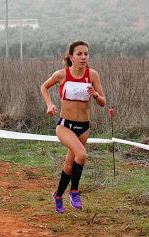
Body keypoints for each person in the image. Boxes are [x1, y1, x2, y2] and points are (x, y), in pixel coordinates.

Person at [41, 40, 106, 213]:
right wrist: (49, 104)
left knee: (70, 165)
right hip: (65, 126)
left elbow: (103, 102)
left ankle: (58, 195)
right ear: (71, 57)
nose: (83, 57)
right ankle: (74, 191)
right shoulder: (61, 74)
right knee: (82, 155)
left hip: (84, 127)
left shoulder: (92, 75)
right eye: (79, 54)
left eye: (86, 53)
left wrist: (96, 95)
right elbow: (44, 87)